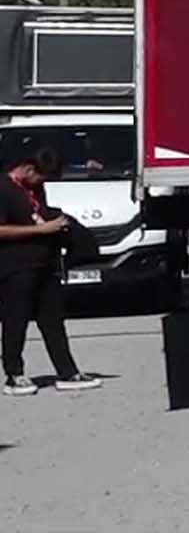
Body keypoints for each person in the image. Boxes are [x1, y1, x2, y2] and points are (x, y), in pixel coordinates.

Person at [1, 146, 100, 395]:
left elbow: (37, 213)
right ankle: (14, 374)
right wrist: (40, 230)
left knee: (53, 321)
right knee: (16, 321)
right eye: (40, 178)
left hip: (46, 264)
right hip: (16, 267)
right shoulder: (3, 188)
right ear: (28, 168)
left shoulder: (34, 187)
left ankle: (67, 371)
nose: (41, 183)